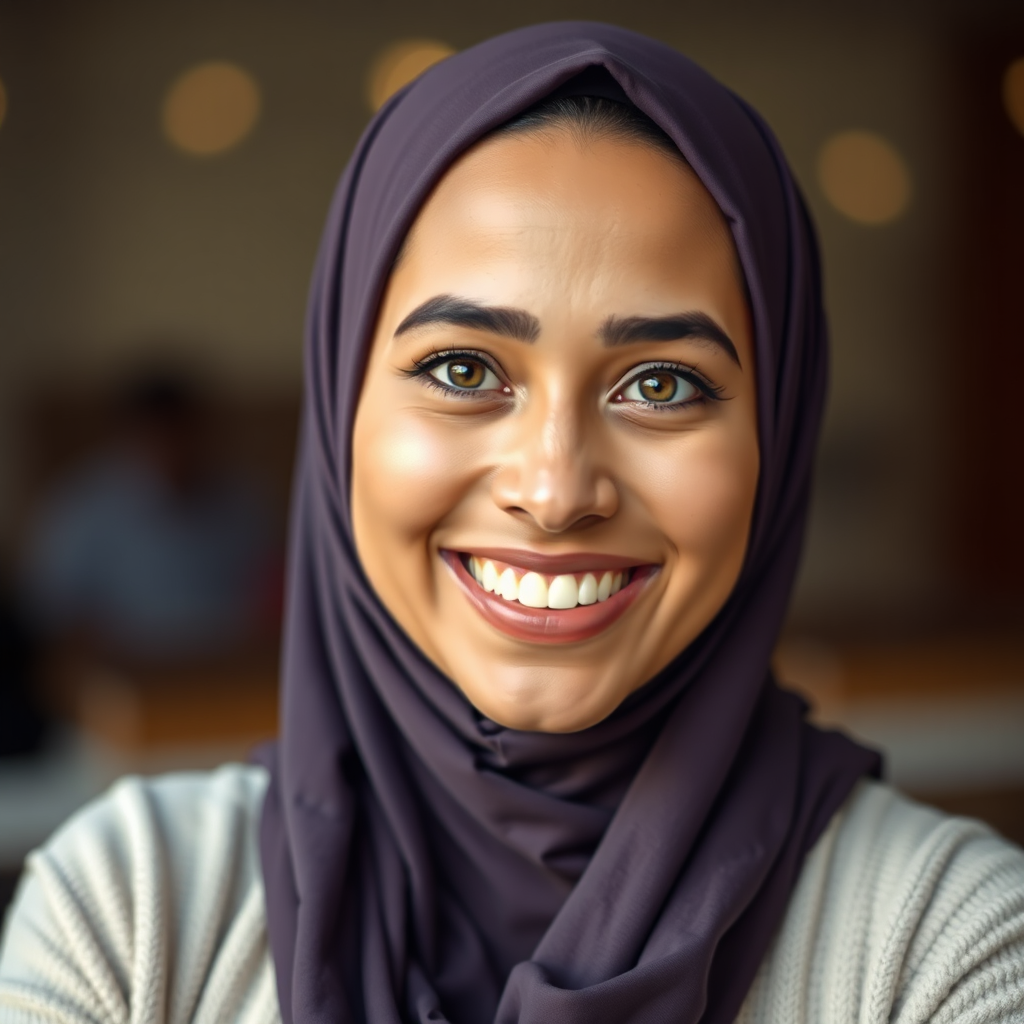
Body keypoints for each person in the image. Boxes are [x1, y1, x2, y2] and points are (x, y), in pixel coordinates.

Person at [1, 22, 1022, 1024]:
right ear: (343, 403)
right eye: (463, 370)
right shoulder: (132, 915)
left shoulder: (943, 946)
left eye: (661, 384)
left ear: (780, 432)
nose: (554, 486)